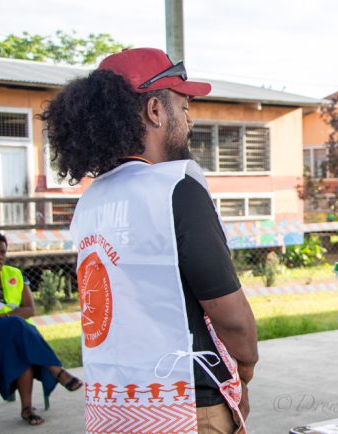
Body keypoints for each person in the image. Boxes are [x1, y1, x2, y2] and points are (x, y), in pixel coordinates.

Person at [40, 48, 258, 434]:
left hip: (113, 408)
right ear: (155, 110)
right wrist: (246, 366)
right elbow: (230, 314)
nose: (190, 119)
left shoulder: (92, 199)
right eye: (184, 105)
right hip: (186, 407)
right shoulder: (175, 187)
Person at [0, 232, 83, 426]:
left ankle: (27, 409)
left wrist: (6, 317)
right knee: (17, 327)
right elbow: (20, 313)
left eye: (2, 252)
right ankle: (56, 370)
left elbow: (30, 309)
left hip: (13, 335)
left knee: (20, 346)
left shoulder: (15, 274)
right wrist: (11, 316)